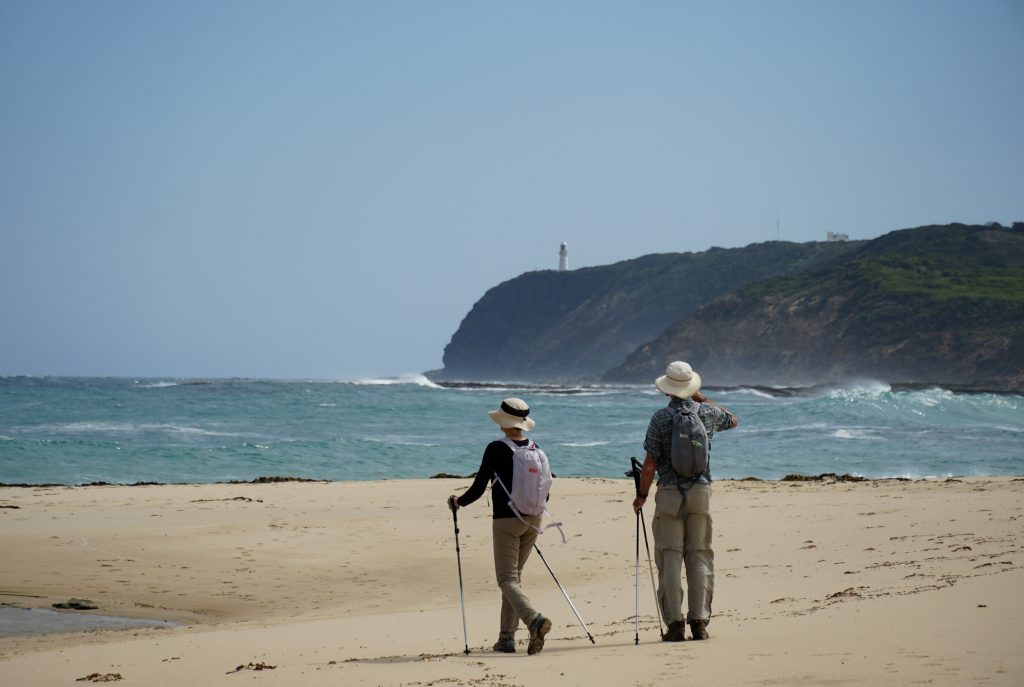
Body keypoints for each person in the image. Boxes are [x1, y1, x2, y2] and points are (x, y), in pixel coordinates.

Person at [631, 361, 739, 642]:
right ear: (692, 387)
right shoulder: (708, 413)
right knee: (700, 554)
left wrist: (641, 496)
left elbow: (650, 463)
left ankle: (675, 624)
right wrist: (702, 399)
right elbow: (733, 419)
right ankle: (699, 622)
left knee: (670, 556)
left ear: (667, 390)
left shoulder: (660, 419)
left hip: (669, 493)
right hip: (701, 491)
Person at [447, 398, 553, 655]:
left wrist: (458, 501)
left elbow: (479, 485)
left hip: (506, 521)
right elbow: (545, 490)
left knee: (506, 579)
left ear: (504, 422)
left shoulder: (496, 448)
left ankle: (534, 620)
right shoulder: (535, 448)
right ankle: (506, 638)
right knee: (513, 579)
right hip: (534, 520)